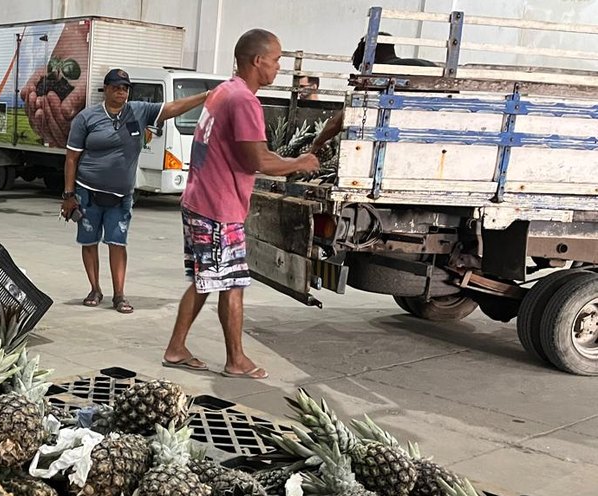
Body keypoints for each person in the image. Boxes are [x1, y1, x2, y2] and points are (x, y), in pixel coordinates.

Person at [162, 29, 319, 378]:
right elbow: (257, 162)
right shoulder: (245, 101)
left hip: (201, 201)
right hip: (218, 208)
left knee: (207, 279)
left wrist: (281, 157)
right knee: (230, 283)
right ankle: (235, 360)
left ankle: (176, 348)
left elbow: (255, 152)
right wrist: (299, 163)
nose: (279, 66)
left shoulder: (224, 91)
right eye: (276, 59)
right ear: (257, 60)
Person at [60, 68, 210, 314]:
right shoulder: (86, 118)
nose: (121, 92)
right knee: (89, 242)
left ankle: (119, 295)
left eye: (125, 88)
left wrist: (204, 96)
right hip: (88, 191)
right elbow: (71, 159)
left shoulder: (139, 111)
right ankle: (95, 289)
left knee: (117, 242)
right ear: (106, 89)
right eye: (116, 87)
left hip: (121, 195)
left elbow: (172, 108)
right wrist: (68, 195)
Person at [310, 33, 437, 154]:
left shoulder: (374, 77)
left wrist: (317, 144)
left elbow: (336, 123)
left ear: (369, 55)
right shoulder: (428, 66)